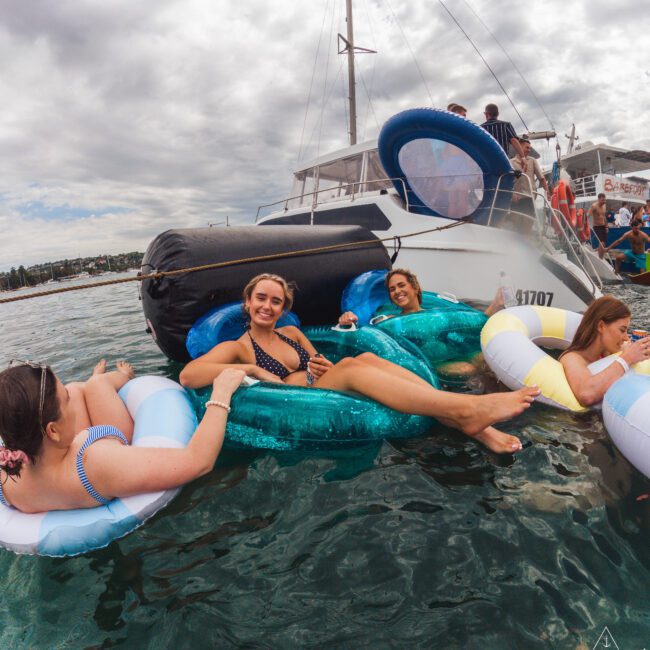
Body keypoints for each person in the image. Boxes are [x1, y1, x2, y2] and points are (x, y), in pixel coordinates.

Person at [180, 273, 540, 454]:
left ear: (283, 308)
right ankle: (468, 411)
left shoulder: (293, 335)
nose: (268, 307)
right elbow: (188, 375)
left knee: (363, 357)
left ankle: (475, 424)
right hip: (295, 400)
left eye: (276, 302)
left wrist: (317, 365)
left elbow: (318, 360)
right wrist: (253, 370)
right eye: (261, 299)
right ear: (247, 302)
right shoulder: (239, 347)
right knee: (353, 367)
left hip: (315, 386)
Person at [0, 359, 244, 513]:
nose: (71, 401)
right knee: (94, 386)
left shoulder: (6, 475)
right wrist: (221, 393)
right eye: (67, 401)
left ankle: (94, 381)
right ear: (52, 430)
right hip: (107, 451)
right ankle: (122, 376)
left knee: (77, 388)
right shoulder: (96, 462)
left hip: (57, 464)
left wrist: (66, 397)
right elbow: (199, 461)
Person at [559, 296, 650, 407]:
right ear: (601, 326)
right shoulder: (572, 358)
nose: (626, 338)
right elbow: (586, 394)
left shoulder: (608, 353)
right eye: (622, 330)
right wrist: (627, 359)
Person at [338, 268, 505, 327]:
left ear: (415, 287)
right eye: (392, 289)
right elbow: (369, 329)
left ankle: (497, 304)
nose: (397, 291)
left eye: (401, 285)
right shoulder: (390, 319)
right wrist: (350, 319)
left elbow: (467, 326)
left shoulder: (435, 313)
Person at [509, 136, 550, 219]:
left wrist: (547, 192)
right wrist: (512, 194)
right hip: (516, 198)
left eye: (530, 148)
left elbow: (541, 178)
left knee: (528, 222)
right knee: (516, 222)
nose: (529, 150)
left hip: (529, 197)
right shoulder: (511, 162)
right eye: (527, 147)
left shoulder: (532, 160)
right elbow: (507, 181)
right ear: (519, 146)